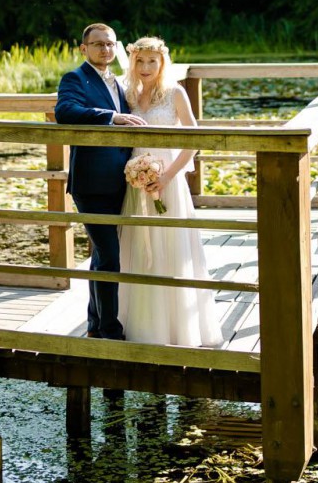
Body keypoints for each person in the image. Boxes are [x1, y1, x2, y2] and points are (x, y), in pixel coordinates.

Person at [117, 36, 222, 348]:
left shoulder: (175, 93)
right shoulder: (127, 95)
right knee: (140, 250)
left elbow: (193, 140)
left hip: (169, 181)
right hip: (137, 183)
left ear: (162, 63)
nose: (146, 67)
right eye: (140, 61)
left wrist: (166, 177)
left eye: (152, 61)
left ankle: (180, 329)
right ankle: (142, 327)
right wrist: (137, 173)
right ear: (132, 62)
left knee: (172, 249)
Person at [55, 22, 145, 340]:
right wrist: (111, 117)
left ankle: (95, 324)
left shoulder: (118, 82)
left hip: (119, 180)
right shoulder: (74, 78)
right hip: (91, 182)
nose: (105, 49)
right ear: (84, 49)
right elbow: (65, 111)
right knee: (108, 254)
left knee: (102, 254)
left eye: (109, 44)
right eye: (98, 44)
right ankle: (110, 330)